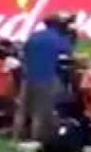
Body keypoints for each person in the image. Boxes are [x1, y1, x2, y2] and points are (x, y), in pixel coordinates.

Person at [15, 15, 73, 144]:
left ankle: (18, 136)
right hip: (47, 77)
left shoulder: (34, 36)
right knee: (41, 111)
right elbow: (66, 59)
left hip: (28, 77)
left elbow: (23, 54)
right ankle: (36, 140)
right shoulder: (59, 39)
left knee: (23, 109)